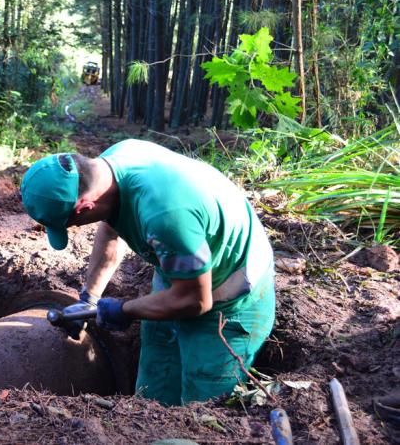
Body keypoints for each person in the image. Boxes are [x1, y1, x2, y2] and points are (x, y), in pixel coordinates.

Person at [20, 139, 275, 405]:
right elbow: (110, 229)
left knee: (203, 408)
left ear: (84, 207)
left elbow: (195, 300)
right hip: (180, 269)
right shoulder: (108, 169)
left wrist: (124, 310)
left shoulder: (166, 215)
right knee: (153, 390)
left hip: (232, 291)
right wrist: (89, 299)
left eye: (68, 224)